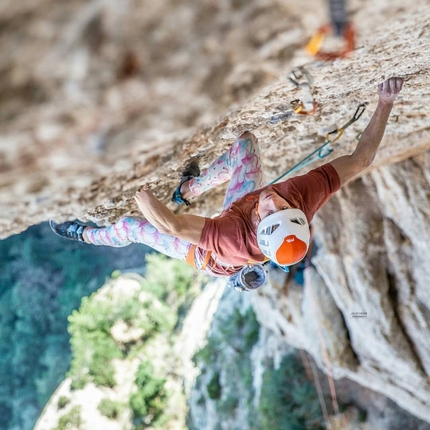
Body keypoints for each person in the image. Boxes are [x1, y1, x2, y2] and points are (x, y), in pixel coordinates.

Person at [50, 77, 404, 291]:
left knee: (130, 225)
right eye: (284, 206)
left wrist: (135, 184)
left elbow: (170, 225)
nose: (273, 198)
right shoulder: (300, 200)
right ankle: (189, 189)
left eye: (271, 210)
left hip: (206, 255)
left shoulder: (230, 238)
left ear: (261, 228)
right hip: (240, 218)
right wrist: (385, 102)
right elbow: (361, 159)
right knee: (244, 145)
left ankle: (82, 235)